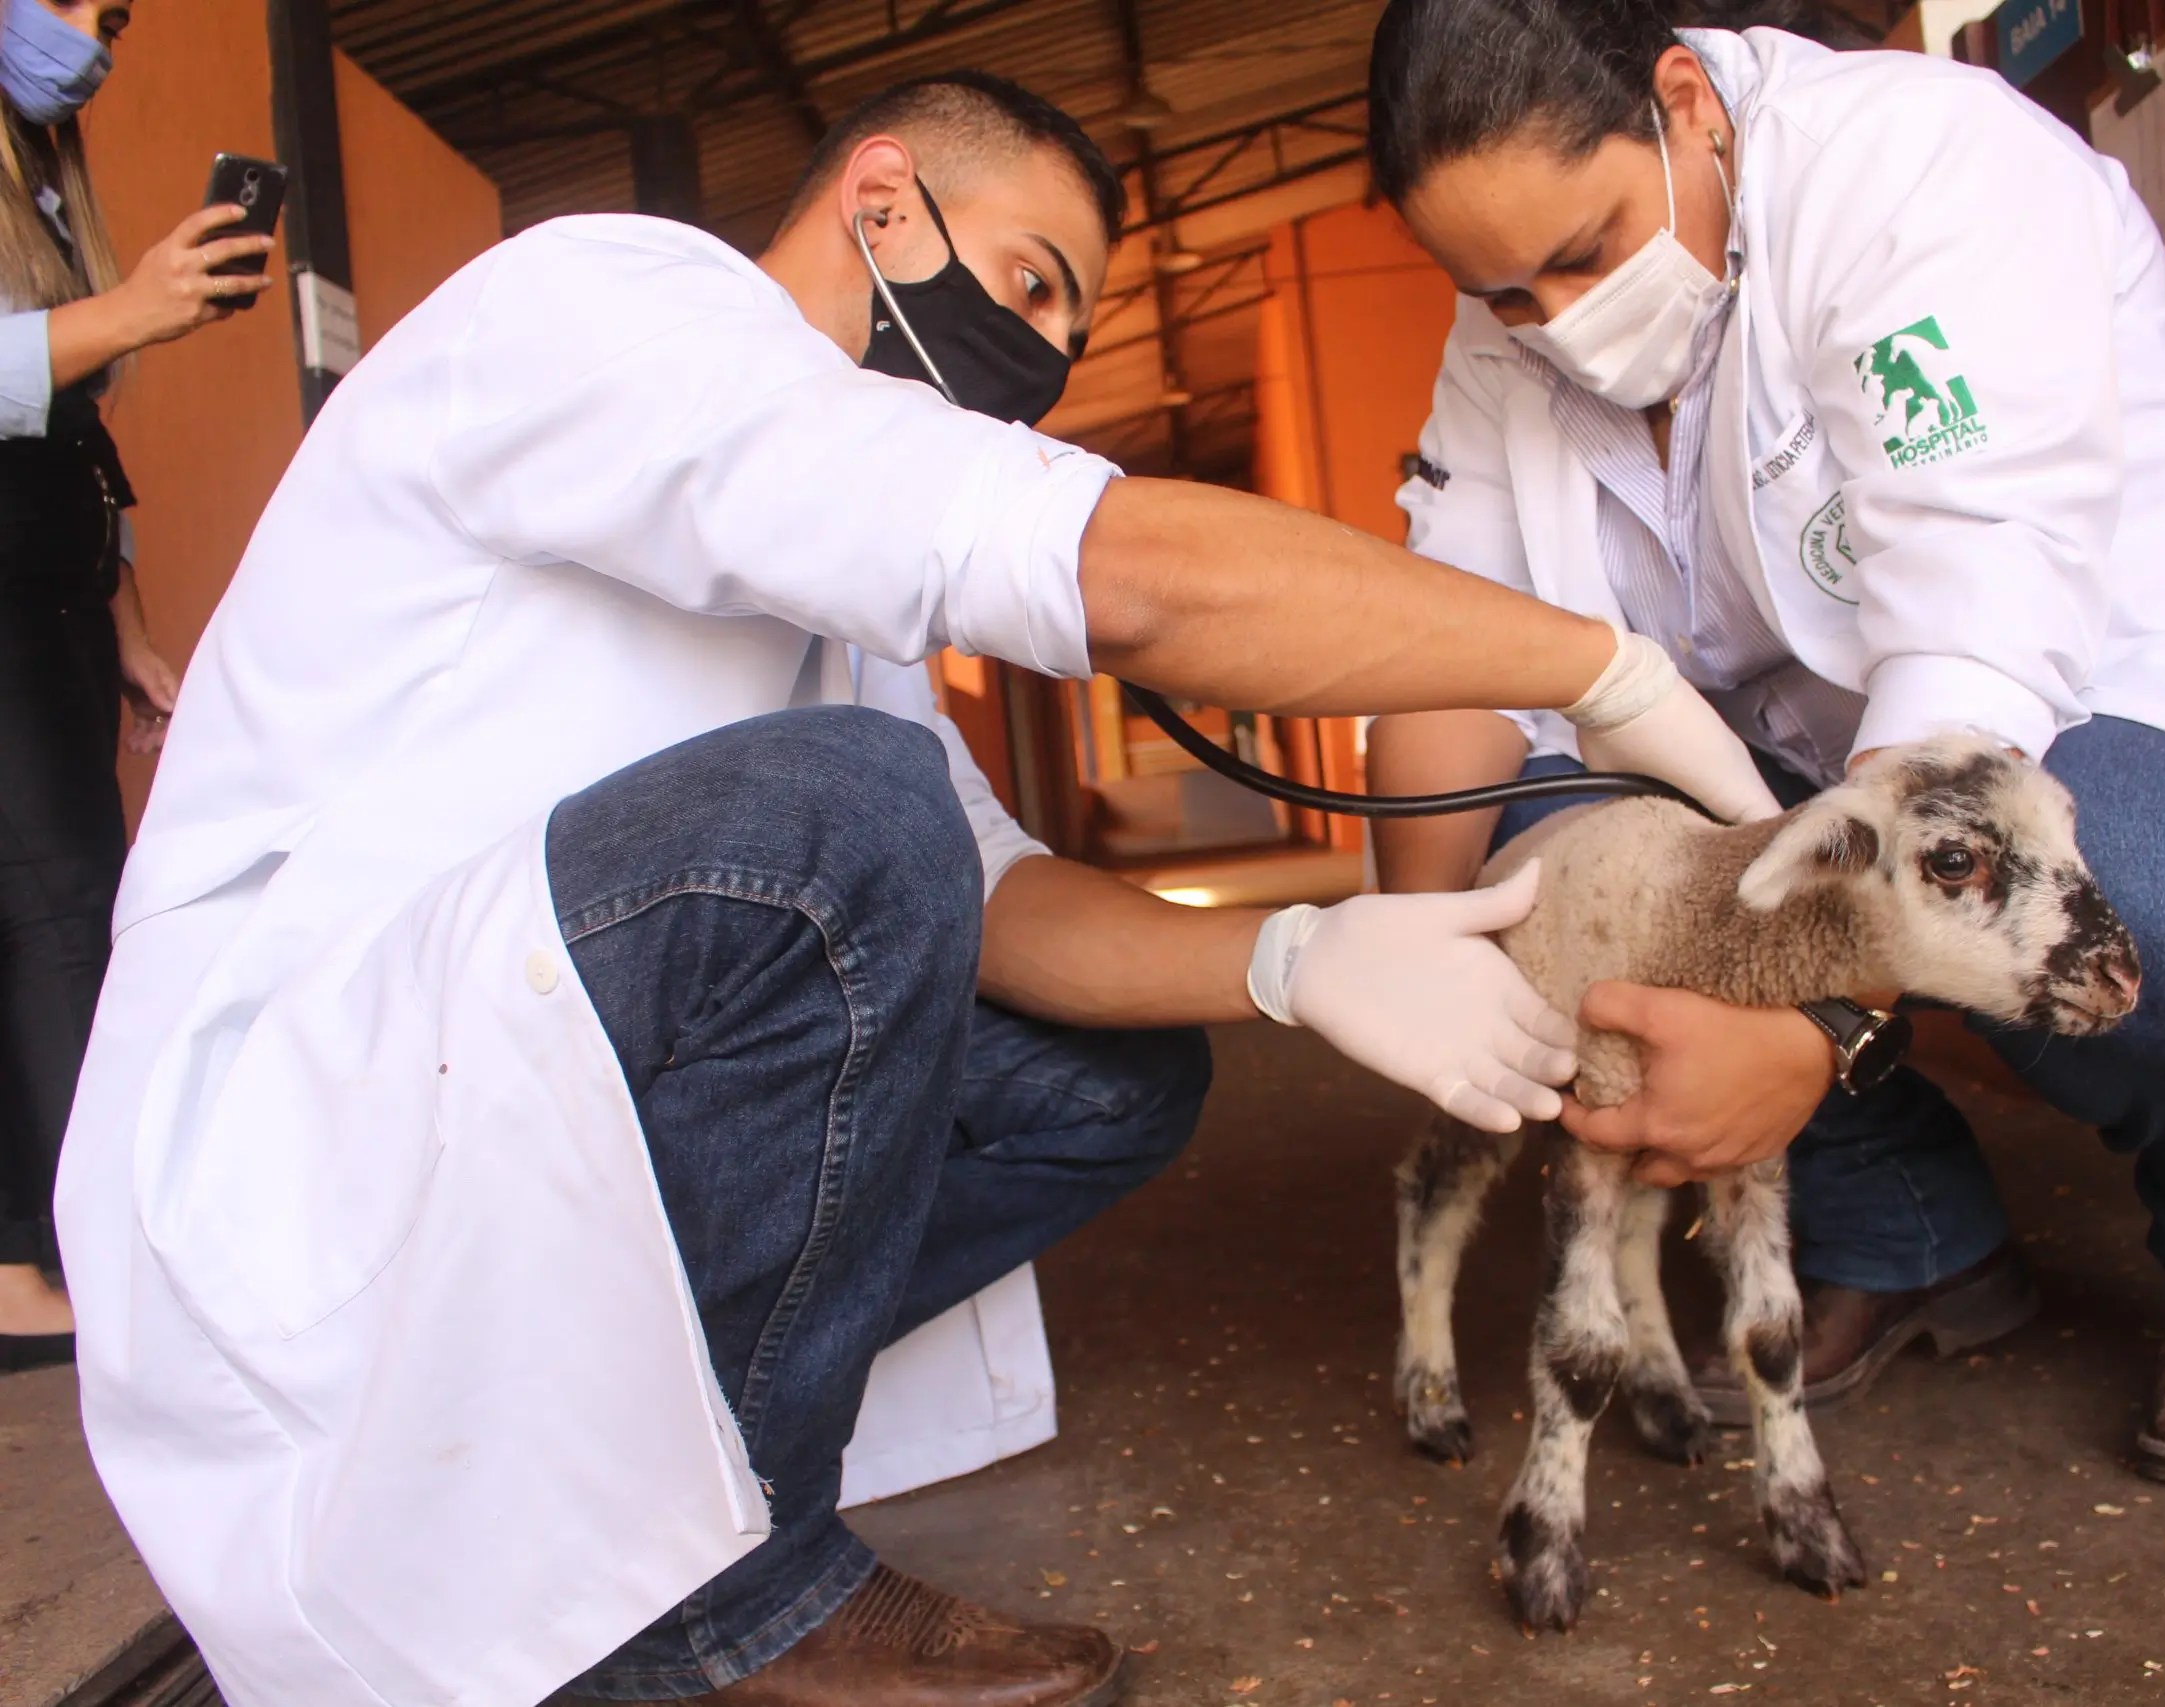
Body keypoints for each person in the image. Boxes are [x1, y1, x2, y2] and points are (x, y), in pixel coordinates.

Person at [55, 69, 1778, 1707]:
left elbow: (994, 900)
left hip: (530, 1091)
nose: (1035, 353)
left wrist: (1301, 955)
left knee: (1100, 1080)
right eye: (1026, 280)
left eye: (1065, 331)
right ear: (882, 201)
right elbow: (1118, 584)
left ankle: (622, 1446)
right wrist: (1597, 668)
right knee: (851, 817)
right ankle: (727, 1591)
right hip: (317, 1109)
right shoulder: (609, 306)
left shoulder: (846, 603)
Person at [1363, 0, 2165, 1493]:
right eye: (1504, 292)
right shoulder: (1504, 328)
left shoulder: (1911, 168)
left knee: (2132, 884)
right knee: (1544, 860)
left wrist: (1808, 1030)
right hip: (1807, 757)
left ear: (1685, 99)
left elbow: (1980, 638)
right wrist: (1425, 945)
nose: (1555, 320)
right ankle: (1904, 1229)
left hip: (2127, 696)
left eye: (1586, 251)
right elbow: (1457, 648)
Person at [0, 0, 271, 1361]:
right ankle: (95, 1261)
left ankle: (35, 1263)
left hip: (47, 586)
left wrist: (126, 624)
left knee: (65, 910)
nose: (90, 38)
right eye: (69, 3)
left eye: (107, 18)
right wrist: (125, 312)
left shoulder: (45, 184)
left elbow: (75, 444)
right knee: (55, 916)